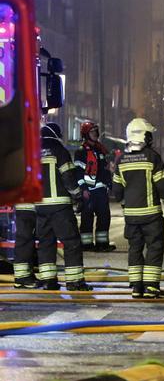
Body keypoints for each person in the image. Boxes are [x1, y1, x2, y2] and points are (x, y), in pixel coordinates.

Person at [111, 118, 164, 299]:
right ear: (143, 136)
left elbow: (117, 191)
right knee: (154, 247)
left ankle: (136, 287)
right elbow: (163, 187)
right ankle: (151, 287)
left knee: (135, 249)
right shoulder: (152, 157)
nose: (151, 138)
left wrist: (127, 206)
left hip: (131, 218)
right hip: (151, 216)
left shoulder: (121, 160)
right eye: (149, 135)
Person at [34, 123, 91, 291]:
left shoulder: (34, 154)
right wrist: (78, 196)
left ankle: (48, 281)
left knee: (45, 244)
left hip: (40, 207)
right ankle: (74, 282)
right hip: (59, 207)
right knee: (71, 242)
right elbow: (69, 179)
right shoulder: (60, 151)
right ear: (56, 135)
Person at [74, 121, 115, 252]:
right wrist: (84, 189)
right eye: (92, 132)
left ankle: (102, 244)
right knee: (87, 219)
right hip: (89, 192)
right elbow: (78, 173)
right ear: (86, 134)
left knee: (104, 217)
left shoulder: (99, 149)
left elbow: (104, 170)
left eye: (96, 131)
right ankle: (86, 244)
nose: (95, 134)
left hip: (101, 190)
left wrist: (109, 184)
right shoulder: (81, 152)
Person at [12, 203, 39, 288]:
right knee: (25, 243)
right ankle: (22, 278)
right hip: (28, 209)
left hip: (24, 208)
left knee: (27, 243)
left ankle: (26, 276)